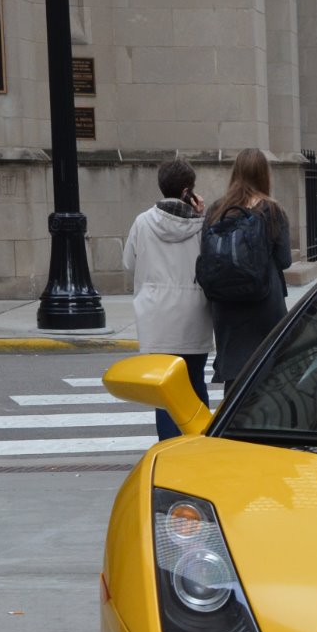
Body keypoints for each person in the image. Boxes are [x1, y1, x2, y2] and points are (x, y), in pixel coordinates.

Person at [121, 158, 212, 440]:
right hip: (193, 314)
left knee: (164, 392)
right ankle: (198, 445)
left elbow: (128, 263)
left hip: (156, 317)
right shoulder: (201, 225)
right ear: (189, 190)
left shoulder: (142, 222)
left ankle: (170, 448)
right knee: (195, 384)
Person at [199, 148, 292, 385]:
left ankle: (234, 419)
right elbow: (285, 260)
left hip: (226, 305)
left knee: (235, 376)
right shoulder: (272, 210)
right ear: (264, 174)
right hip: (264, 303)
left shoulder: (217, 210)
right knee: (267, 374)